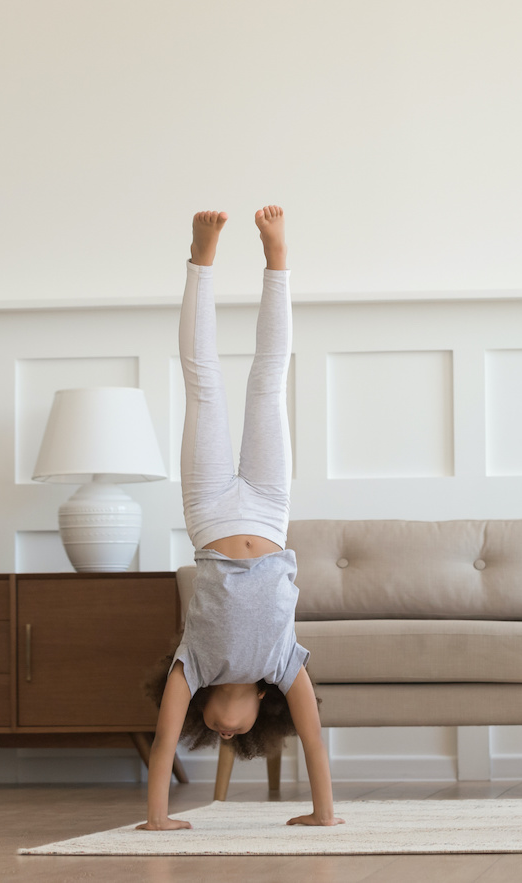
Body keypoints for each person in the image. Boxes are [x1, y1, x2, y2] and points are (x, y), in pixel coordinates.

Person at [138, 207, 341, 831]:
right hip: (270, 510)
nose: (225, 734)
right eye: (239, 737)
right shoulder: (285, 665)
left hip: (208, 511)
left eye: (215, 734)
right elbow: (313, 742)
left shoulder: (190, 667)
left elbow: (164, 745)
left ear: (203, 710)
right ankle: (277, 259)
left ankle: (201, 260)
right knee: (268, 383)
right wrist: (323, 815)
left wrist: (157, 820)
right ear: (261, 712)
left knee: (203, 384)